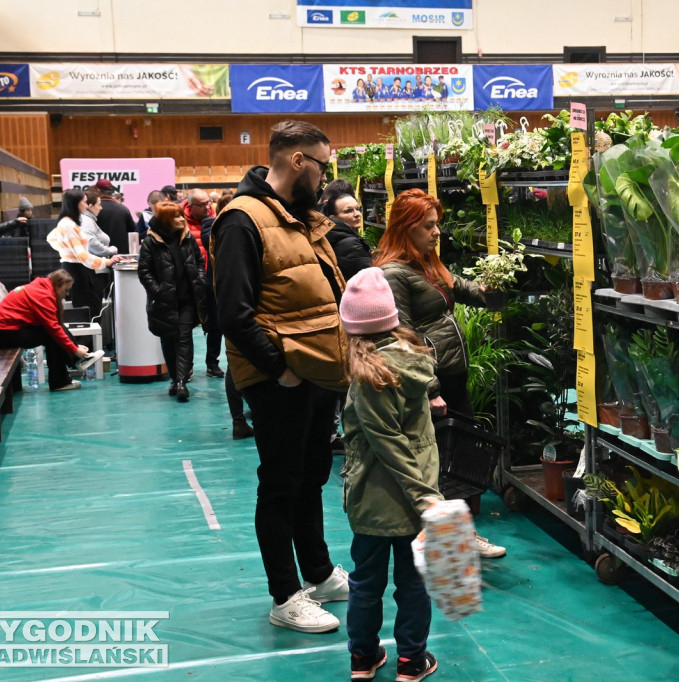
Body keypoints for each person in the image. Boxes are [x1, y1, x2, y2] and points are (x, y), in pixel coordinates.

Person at [210, 120, 349, 634]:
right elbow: (233, 313)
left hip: (315, 372)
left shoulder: (297, 215)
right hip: (280, 379)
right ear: (297, 161)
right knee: (280, 484)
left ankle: (318, 571)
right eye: (322, 164)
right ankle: (284, 594)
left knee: (311, 475)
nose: (325, 175)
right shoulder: (241, 220)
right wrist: (281, 370)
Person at [373, 188, 506, 558]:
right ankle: (444, 537)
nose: (437, 233)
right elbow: (401, 333)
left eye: (437, 225)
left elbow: (458, 288)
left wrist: (492, 286)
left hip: (451, 374)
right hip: (431, 382)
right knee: (436, 462)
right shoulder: (392, 273)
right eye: (429, 226)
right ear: (407, 227)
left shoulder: (426, 263)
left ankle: (459, 533)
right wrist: (430, 389)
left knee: (457, 457)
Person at [338, 267, 441, 682]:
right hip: (418, 488)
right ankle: (411, 660)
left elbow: (387, 444)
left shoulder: (369, 377)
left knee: (366, 581)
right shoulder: (411, 361)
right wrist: (426, 495)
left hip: (377, 497)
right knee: (413, 583)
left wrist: (422, 497)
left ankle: (364, 657)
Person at [0, 269, 104, 392]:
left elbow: (57, 325)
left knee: (55, 331)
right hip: (3, 334)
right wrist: (74, 350)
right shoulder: (44, 296)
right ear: (58, 286)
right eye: (66, 290)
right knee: (52, 336)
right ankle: (61, 381)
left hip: (5, 329)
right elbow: (54, 329)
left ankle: (77, 362)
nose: (68, 294)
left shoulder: (42, 286)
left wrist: (74, 345)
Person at [138, 201, 208, 403]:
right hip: (164, 301)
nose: (181, 219)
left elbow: (199, 261)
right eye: (176, 216)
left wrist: (201, 280)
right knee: (168, 339)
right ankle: (175, 378)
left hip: (188, 299)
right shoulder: (151, 241)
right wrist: (158, 291)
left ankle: (181, 382)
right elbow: (144, 271)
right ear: (166, 220)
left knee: (185, 337)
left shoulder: (187, 237)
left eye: (181, 215)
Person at [201, 193, 253, 439]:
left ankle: (241, 417)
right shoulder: (222, 227)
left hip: (234, 301)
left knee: (237, 362)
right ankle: (239, 419)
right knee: (235, 361)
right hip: (235, 302)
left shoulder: (224, 226)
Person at [47, 189, 121, 318]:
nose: (87, 206)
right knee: (86, 313)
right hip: (78, 271)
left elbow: (51, 238)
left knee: (89, 310)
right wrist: (107, 261)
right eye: (85, 202)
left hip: (77, 269)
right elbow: (83, 257)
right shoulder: (68, 225)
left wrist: (66, 251)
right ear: (76, 204)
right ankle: (86, 339)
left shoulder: (68, 223)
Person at [182, 188, 221, 377]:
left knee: (216, 324)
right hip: (190, 283)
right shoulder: (180, 223)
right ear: (191, 207)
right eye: (202, 204)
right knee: (187, 325)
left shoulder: (217, 220)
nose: (208, 207)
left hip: (212, 280)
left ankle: (212, 363)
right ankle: (186, 366)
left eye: (209, 203)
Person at [319, 180, 372, 282]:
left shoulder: (334, 234)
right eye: (348, 211)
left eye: (358, 209)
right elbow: (368, 279)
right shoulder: (349, 244)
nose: (357, 214)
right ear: (334, 217)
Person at [93, 179, 136, 254]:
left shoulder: (94, 209)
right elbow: (133, 233)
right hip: (121, 257)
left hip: (99, 255)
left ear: (98, 191)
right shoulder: (124, 209)